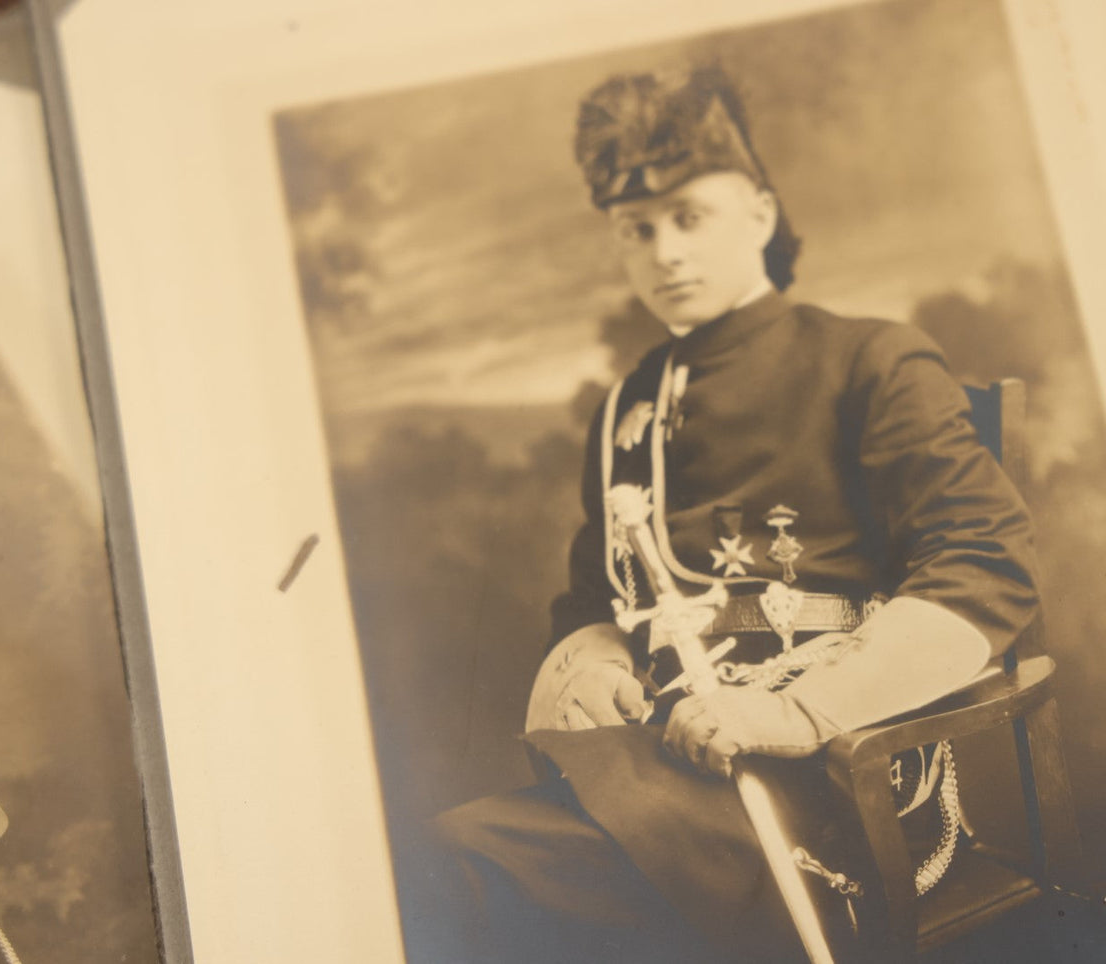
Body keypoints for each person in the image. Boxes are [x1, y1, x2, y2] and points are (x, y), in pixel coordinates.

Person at [432, 64, 1039, 963]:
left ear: (758, 213)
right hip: (664, 757)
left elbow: (985, 569)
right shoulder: (625, 414)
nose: (664, 253)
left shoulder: (870, 361)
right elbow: (592, 601)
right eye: (636, 230)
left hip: (838, 763)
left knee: (470, 866)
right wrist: (597, 650)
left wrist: (794, 714)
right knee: (466, 862)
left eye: (690, 218)